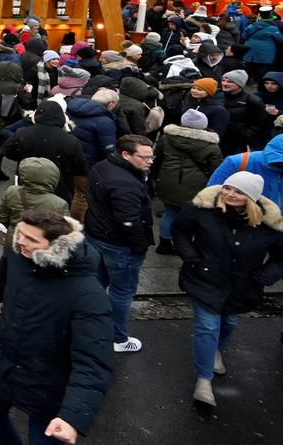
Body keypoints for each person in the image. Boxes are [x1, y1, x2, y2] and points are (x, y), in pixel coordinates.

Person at [0, 209, 113, 445]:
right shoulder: (18, 253)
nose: (20, 242)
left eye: (31, 239)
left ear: (55, 246)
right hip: (4, 362)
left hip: (49, 386)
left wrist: (72, 417)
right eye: (21, 234)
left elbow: (93, 363)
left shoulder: (88, 294)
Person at [172, 171, 283, 407]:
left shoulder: (269, 223)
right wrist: (192, 258)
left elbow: (280, 257)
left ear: (251, 198)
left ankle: (214, 350)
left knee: (229, 323)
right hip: (205, 280)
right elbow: (180, 232)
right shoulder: (202, 208)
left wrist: (266, 275)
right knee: (208, 326)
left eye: (239, 191)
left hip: (242, 285)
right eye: (228, 188)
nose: (230, 194)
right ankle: (204, 381)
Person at [83, 134, 154, 353]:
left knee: (96, 283)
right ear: (126, 154)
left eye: (152, 156)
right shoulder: (126, 184)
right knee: (122, 292)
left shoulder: (103, 166)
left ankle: (87, 324)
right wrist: (140, 246)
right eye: (145, 157)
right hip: (120, 246)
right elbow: (128, 221)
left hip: (97, 236)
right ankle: (118, 337)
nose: (150, 161)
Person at [152, 109, 222, 255]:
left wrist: (154, 177)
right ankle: (187, 245)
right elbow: (217, 169)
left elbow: (156, 158)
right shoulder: (211, 145)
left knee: (170, 213)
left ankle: (164, 244)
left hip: (167, 180)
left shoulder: (167, 138)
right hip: (196, 186)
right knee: (193, 216)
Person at [0, 158, 68, 246]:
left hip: (15, 239)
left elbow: (2, 215)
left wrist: (11, 226)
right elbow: (63, 231)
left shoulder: (12, 191)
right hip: (39, 245)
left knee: (11, 259)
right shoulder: (60, 204)